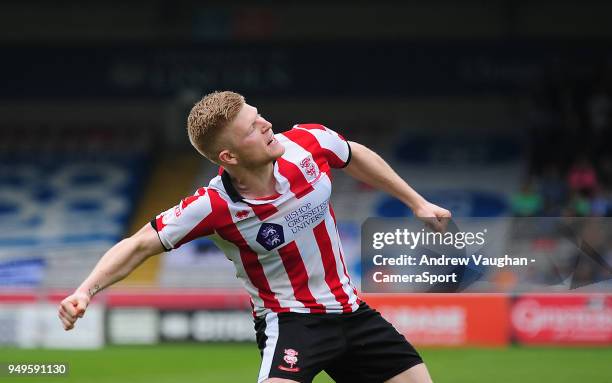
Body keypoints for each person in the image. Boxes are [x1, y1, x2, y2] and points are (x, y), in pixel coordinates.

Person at [58, 91, 451, 383]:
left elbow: (353, 153)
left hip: (351, 312)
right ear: (228, 157)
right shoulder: (212, 206)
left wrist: (416, 202)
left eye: (259, 116)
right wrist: (86, 291)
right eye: (252, 127)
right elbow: (139, 243)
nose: (266, 125)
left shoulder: (309, 144)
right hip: (292, 322)